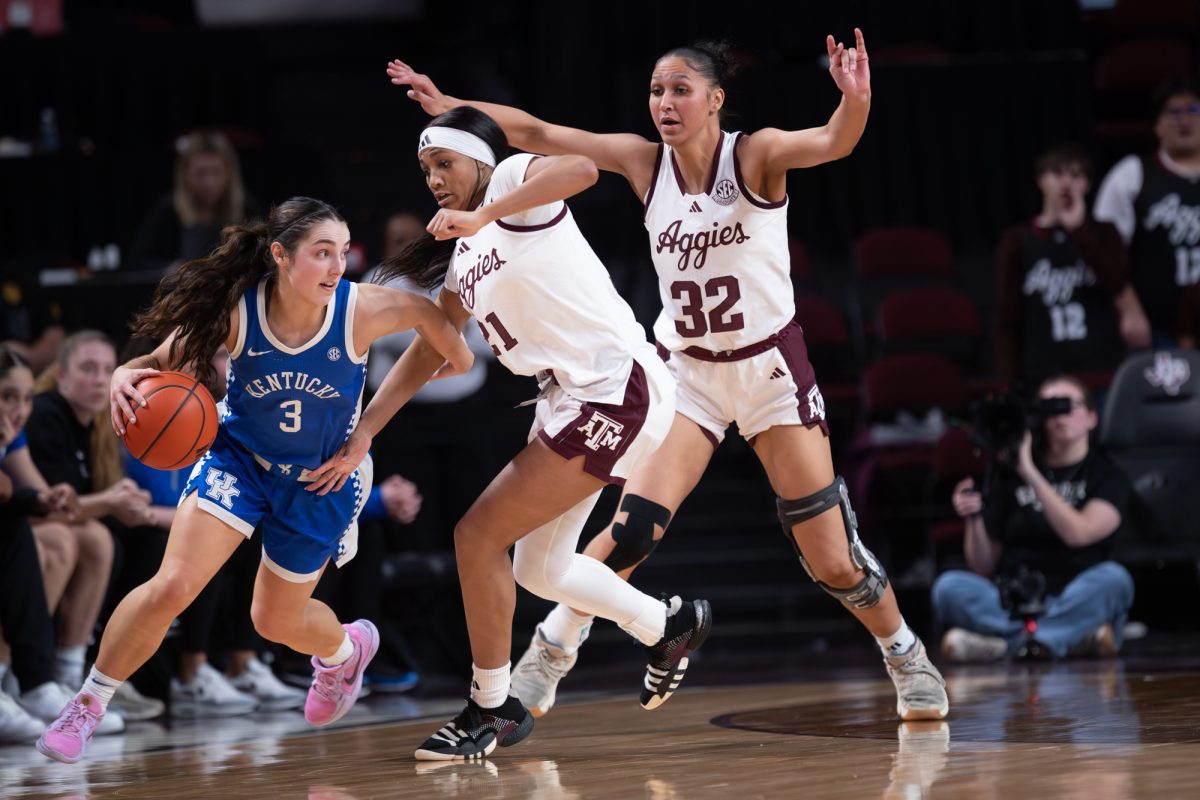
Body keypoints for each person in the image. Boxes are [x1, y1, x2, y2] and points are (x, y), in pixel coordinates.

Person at [387, 29, 948, 722]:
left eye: (680, 89)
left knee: (831, 559)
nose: (664, 102)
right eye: (656, 90)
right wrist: (452, 107)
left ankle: (904, 653)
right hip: (687, 377)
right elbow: (535, 129)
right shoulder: (643, 162)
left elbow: (835, 140)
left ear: (715, 99)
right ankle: (548, 656)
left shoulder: (756, 154)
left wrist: (855, 99)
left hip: (768, 369)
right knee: (626, 536)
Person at [34, 196, 473, 763]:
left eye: (342, 252)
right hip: (238, 460)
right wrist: (123, 375)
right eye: (321, 253)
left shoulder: (364, 309)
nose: (337, 266)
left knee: (274, 622)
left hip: (320, 477)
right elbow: (151, 363)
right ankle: (88, 702)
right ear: (281, 257)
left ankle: (345, 650)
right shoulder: (237, 312)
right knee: (173, 584)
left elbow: (454, 358)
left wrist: (365, 431)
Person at [331, 106, 711, 760]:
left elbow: (584, 168)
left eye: (443, 163)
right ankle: (668, 625)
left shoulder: (510, 186)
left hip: (616, 388)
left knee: (476, 536)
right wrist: (365, 432)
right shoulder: (463, 258)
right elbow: (430, 351)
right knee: (540, 569)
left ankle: (490, 707)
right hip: (572, 399)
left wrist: (482, 213)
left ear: (477, 160)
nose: (434, 179)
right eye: (425, 171)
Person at [933, 375, 1134, 662]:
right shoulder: (1007, 475)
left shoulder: (1108, 476)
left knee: (1116, 580)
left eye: (1066, 405)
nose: (1059, 416)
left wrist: (1030, 474)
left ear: (1091, 418)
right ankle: (1062, 639)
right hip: (1013, 602)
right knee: (948, 587)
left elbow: (1079, 533)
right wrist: (973, 518)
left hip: (1074, 596)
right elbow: (983, 566)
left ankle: (1008, 645)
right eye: (1049, 408)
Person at [996, 143, 1151, 389]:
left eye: (1076, 175)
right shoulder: (1018, 239)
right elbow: (1008, 316)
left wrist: (1079, 231)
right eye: (1057, 174)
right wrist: (1008, 381)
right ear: (1041, 181)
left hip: (1102, 369)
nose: (1066, 183)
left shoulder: (1105, 232)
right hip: (1043, 374)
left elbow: (1117, 282)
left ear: (1087, 185)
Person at [0, 347, 72, 743]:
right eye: (8, 395)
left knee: (69, 538)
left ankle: (43, 679)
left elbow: (38, 497)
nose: (20, 408)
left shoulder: (12, 431)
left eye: (27, 397)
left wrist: (48, 499)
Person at [1094, 79, 1200, 346]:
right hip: (1156, 328)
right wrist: (1130, 310)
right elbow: (1105, 253)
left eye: (1193, 110)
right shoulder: (1132, 173)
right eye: (1174, 112)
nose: (1184, 119)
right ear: (1158, 125)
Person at [126, 130, 259, 274]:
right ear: (184, 175)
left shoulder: (245, 207)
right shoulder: (169, 209)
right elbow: (137, 259)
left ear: (229, 173)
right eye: (200, 174)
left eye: (216, 172)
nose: (209, 182)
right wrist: (170, 268)